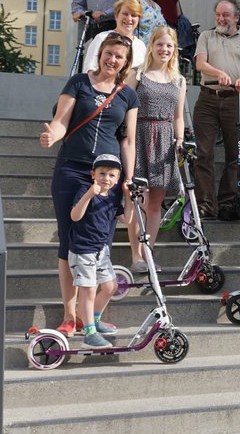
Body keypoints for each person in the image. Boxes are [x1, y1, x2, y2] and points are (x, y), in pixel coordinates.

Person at [40, 33, 139, 336]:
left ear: (126, 63)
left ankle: (91, 318)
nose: (113, 60)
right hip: (72, 169)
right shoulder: (78, 82)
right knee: (70, 241)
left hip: (107, 176)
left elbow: (129, 140)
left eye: (119, 56)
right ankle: (70, 315)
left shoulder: (127, 95)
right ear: (100, 54)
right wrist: (51, 136)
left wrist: (129, 179)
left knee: (100, 245)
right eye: (109, 53)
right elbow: (61, 121)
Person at [193, 0, 240, 221]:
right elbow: (200, 64)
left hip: (236, 98)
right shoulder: (206, 36)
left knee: (235, 153)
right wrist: (217, 73)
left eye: (225, 15)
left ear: (236, 17)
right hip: (208, 97)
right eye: (218, 15)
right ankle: (206, 204)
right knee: (203, 153)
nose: (221, 19)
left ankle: (227, 202)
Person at [125, 26, 186, 272]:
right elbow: (125, 107)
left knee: (154, 205)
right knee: (139, 200)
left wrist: (179, 139)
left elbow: (178, 116)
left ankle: (148, 254)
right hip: (140, 135)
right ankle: (135, 256)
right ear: (152, 45)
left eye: (169, 46)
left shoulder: (179, 80)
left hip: (164, 141)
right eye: (160, 44)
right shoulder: (138, 74)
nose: (164, 49)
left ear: (174, 50)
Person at [69, 154, 124, 348]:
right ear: (93, 174)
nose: (106, 178)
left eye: (111, 175)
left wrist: (131, 198)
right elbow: (75, 216)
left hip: (101, 250)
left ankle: (94, 319)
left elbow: (128, 220)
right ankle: (89, 332)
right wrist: (89, 195)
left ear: (117, 180)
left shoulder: (113, 197)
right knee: (89, 289)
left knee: (110, 287)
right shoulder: (85, 190)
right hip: (83, 249)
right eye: (102, 173)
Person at [83, 0, 148, 73]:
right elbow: (89, 69)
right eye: (125, 14)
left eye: (134, 15)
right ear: (116, 16)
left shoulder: (141, 46)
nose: (129, 19)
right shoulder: (102, 38)